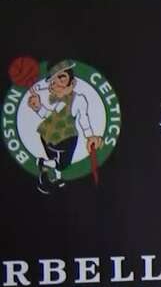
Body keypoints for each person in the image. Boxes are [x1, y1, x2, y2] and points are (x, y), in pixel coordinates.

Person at [27, 60, 104, 194]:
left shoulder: (78, 99)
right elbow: (51, 117)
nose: (56, 85)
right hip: (55, 137)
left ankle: (56, 177)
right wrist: (38, 107)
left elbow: (84, 119)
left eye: (61, 79)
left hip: (56, 136)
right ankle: (43, 163)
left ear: (72, 83)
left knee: (58, 161)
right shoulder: (57, 101)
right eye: (53, 82)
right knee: (63, 163)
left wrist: (90, 135)